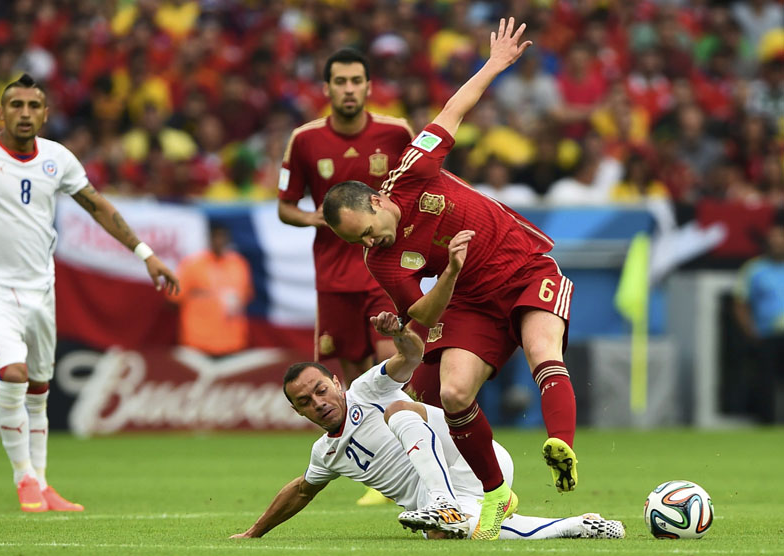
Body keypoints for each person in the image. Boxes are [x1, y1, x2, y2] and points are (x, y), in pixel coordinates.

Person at [322, 17, 578, 540]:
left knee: (543, 354)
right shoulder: (381, 262)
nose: (367, 245)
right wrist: (454, 271)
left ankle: (562, 446)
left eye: (367, 231)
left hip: (526, 267)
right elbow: (422, 315)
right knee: (455, 394)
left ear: (377, 201)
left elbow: (453, 110)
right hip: (469, 300)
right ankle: (495, 494)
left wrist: (496, 63)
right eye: (357, 243)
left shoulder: (411, 170)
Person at [0, 74, 179, 512]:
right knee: (13, 375)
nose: (23, 113)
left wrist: (145, 253)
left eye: (32, 106)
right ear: (0, 113)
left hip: (42, 289)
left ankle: (42, 483)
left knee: (39, 386)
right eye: (15, 105)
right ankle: (23, 480)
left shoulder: (57, 159)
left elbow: (98, 207)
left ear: (45, 114)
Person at [230, 303, 624, 541]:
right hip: (460, 495)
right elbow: (300, 490)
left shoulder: (367, 389)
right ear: (298, 412)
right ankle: (581, 525)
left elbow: (412, 357)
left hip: (471, 458)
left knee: (399, 410)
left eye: (320, 390)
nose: (318, 402)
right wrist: (254, 532)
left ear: (336, 382)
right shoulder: (327, 452)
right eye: (305, 402)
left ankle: (442, 503)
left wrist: (401, 335)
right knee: (448, 536)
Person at [277, 47, 414, 387]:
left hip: (385, 264)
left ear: (369, 87)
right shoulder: (304, 140)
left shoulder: (397, 133)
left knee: (390, 358)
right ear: (327, 88)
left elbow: (420, 188)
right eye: (340, 82)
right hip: (335, 273)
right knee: (356, 377)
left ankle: (409, 434)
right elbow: (285, 206)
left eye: (356, 81)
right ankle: (371, 438)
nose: (348, 89)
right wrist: (312, 218)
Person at [169, 224, 253, 356]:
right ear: (209, 239)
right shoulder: (193, 265)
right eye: (216, 237)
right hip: (197, 342)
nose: (219, 241)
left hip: (232, 341)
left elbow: (247, 295)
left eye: (222, 237)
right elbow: (173, 299)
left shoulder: (239, 264)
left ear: (228, 240)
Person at [733, 221, 784, 423]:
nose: (778, 242)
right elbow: (740, 302)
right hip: (767, 334)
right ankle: (767, 423)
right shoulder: (754, 269)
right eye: (774, 238)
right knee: (766, 382)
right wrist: (749, 330)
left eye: (781, 238)